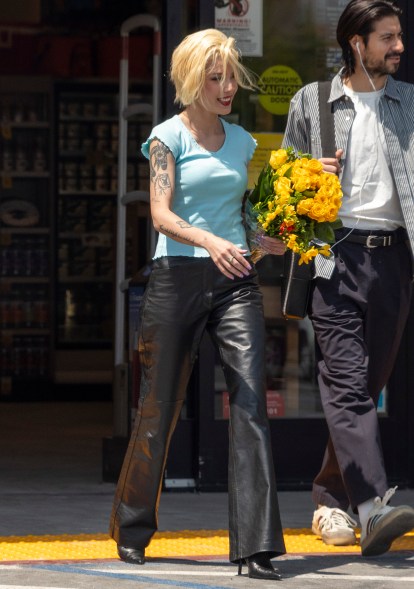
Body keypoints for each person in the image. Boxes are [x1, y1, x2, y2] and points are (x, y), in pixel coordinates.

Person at [109, 28, 286, 580]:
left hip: (234, 283)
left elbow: (245, 215)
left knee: (251, 405)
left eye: (231, 76)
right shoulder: (167, 137)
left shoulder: (243, 142)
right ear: (192, 80)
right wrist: (210, 240)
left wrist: (265, 238)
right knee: (158, 409)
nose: (228, 86)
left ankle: (255, 547)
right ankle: (132, 527)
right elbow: (160, 215)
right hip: (176, 277)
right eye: (215, 77)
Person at [282, 0, 414, 557]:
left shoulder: (408, 104)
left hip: (393, 261)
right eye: (388, 38)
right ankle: (372, 504)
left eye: (400, 36)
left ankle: (330, 497)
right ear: (357, 44)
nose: (399, 47)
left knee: (366, 385)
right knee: (346, 382)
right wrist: (310, 176)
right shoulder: (312, 102)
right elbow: (278, 189)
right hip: (334, 257)